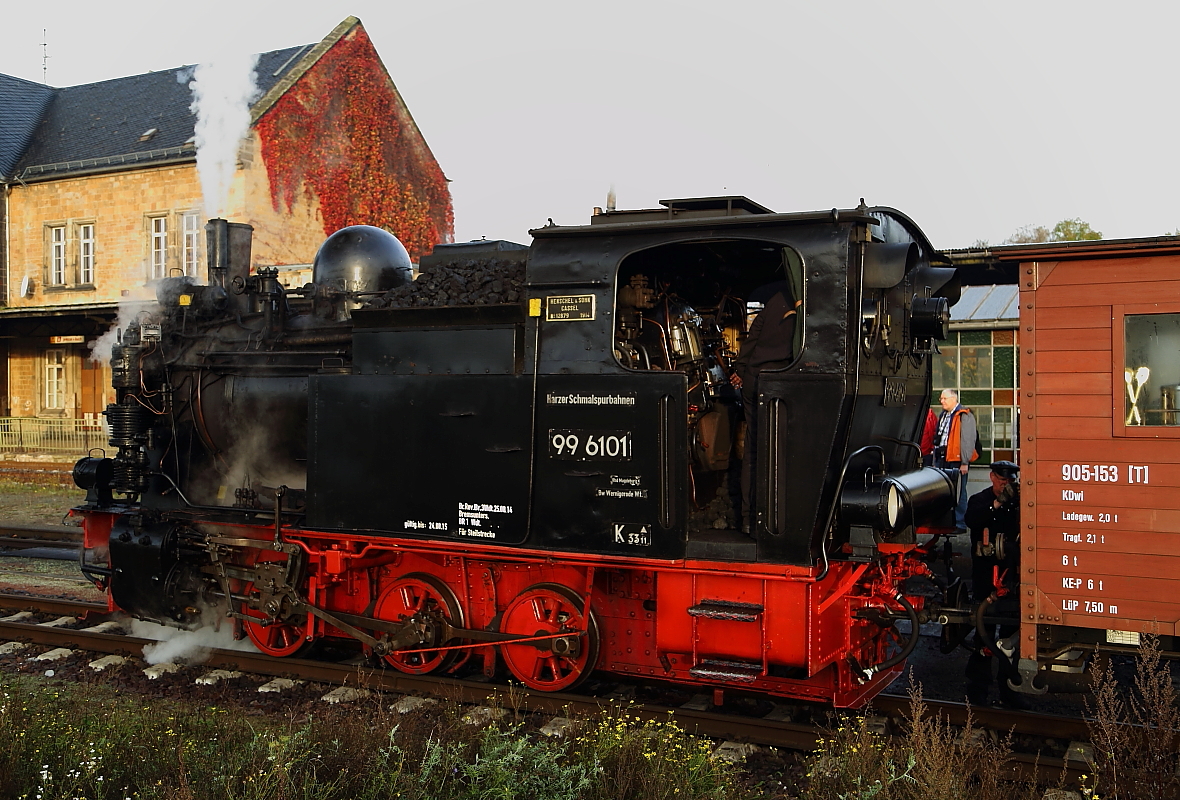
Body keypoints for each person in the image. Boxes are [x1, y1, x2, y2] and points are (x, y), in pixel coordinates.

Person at [729, 280, 799, 533]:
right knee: (778, 449)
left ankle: (749, 518)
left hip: (754, 377)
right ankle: (773, 517)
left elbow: (753, 337)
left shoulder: (774, 300)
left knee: (754, 450)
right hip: (779, 380)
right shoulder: (801, 304)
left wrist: (741, 370)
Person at [964, 460, 1023, 707]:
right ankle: (977, 696)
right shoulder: (980, 500)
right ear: (992, 477)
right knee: (983, 638)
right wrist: (998, 503)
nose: (1005, 484)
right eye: (1001, 480)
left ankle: (1009, 693)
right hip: (985, 581)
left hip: (1012, 580)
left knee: (1012, 641)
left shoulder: (1020, 504)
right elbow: (972, 520)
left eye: (1009, 481)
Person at [934, 389, 977, 533]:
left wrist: (965, 462)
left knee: (959, 492)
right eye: (941, 398)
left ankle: (960, 523)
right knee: (943, 491)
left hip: (957, 460)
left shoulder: (964, 415)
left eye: (944, 398)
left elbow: (967, 440)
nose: (941, 401)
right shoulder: (943, 415)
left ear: (953, 399)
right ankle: (946, 521)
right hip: (943, 458)